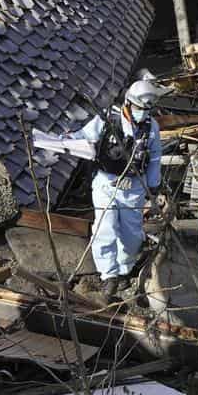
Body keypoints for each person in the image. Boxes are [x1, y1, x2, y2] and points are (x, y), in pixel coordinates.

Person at [71, 79, 163, 300]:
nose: (143, 113)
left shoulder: (151, 127)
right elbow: (82, 137)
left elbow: (155, 158)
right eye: (140, 108)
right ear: (129, 103)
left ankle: (124, 268)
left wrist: (153, 185)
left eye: (147, 109)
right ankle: (109, 275)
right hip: (106, 183)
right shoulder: (107, 119)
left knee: (131, 236)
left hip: (134, 187)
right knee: (105, 229)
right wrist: (67, 141)